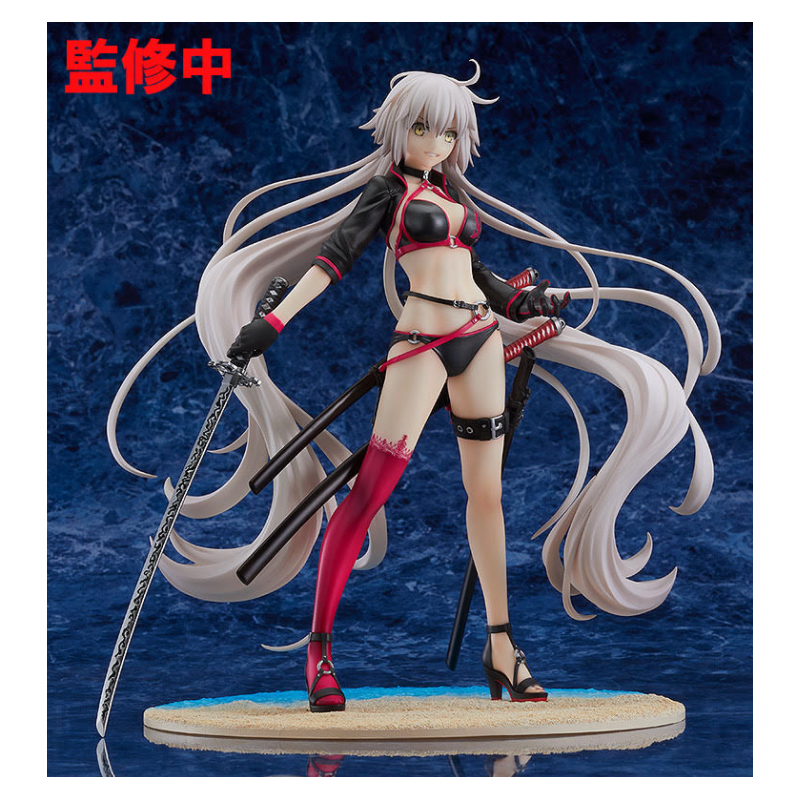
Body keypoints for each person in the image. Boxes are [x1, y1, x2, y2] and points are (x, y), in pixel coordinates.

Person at [107, 62, 720, 713]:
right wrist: (274, 321)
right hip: (422, 345)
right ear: (399, 128)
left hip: (480, 341)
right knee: (371, 489)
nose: (435, 143)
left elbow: (479, 276)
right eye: (424, 129)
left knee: (487, 495)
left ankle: (502, 646)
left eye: (449, 133)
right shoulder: (387, 193)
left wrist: (524, 300)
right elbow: (332, 259)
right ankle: (319, 652)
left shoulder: (451, 195)